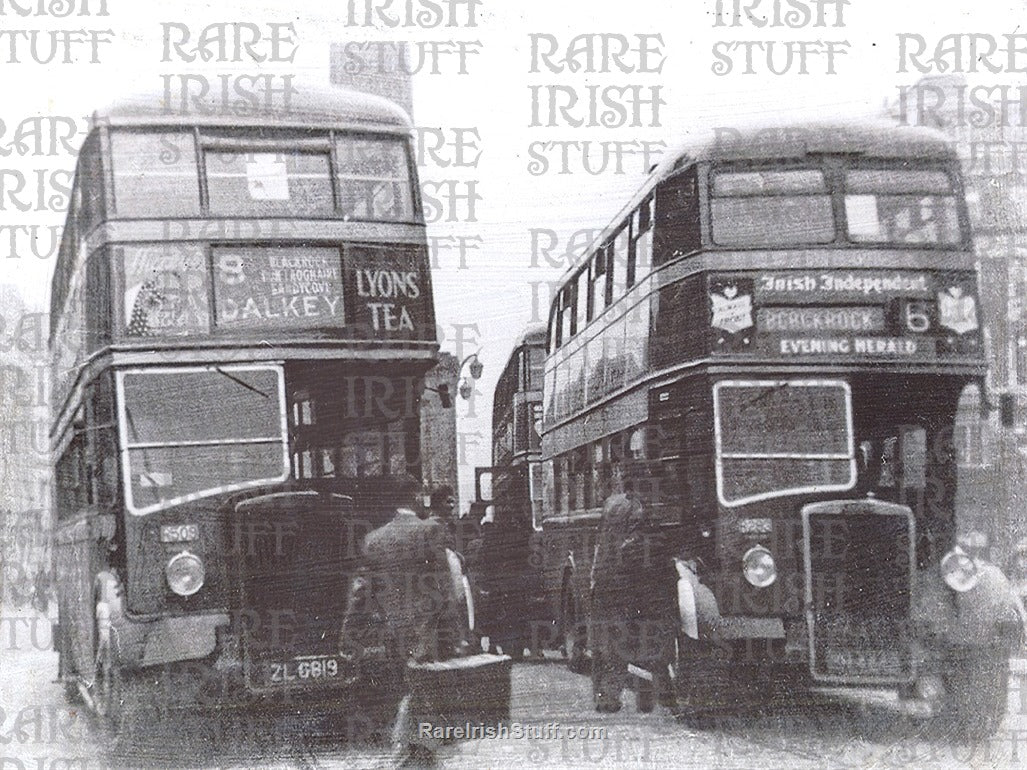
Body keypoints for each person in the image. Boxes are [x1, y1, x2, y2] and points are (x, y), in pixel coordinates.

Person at [589, 491, 675, 713]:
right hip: (628, 584)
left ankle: (605, 696)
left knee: (609, 643)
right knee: (655, 633)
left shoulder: (611, 504)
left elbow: (602, 543)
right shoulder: (638, 508)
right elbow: (636, 548)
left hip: (605, 581)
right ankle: (664, 692)